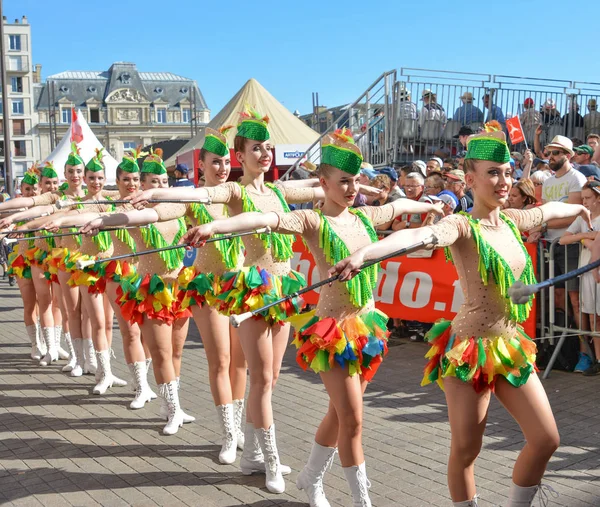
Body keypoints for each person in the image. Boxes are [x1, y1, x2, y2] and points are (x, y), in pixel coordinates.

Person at [330, 126, 591, 507]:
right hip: (468, 349)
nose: (503, 181)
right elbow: (412, 239)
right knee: (467, 449)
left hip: (510, 346)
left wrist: (581, 207)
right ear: (469, 180)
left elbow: (550, 210)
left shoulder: (513, 221)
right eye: (492, 173)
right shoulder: (461, 226)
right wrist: (364, 254)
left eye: (507, 172)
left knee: (546, 438)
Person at [181, 130, 442, 506]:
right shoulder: (312, 221)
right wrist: (212, 226)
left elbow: (398, 210)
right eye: (343, 182)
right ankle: (360, 500)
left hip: (367, 330)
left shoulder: (366, 216)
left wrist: (428, 208)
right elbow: (263, 219)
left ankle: (311, 477)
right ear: (324, 184)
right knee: (352, 419)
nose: (352, 189)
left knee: (339, 415)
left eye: (355, 181)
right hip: (332, 331)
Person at [130, 107, 322, 493]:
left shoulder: (281, 191)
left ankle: (250, 450)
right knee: (256, 375)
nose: (264, 154)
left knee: (267, 377)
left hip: (282, 292)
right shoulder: (235, 191)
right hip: (248, 290)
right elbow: (202, 193)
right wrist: (156, 192)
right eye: (256, 148)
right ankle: (265, 457)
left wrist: (363, 187)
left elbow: (321, 188)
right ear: (241, 156)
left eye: (268, 148)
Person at [81, 148, 195, 433]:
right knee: (160, 351)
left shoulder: (179, 208)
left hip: (179, 286)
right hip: (151, 288)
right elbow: (122, 219)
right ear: (143, 186)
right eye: (153, 182)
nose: (160, 187)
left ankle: (172, 403)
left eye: (164, 182)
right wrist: (100, 221)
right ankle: (171, 408)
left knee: (177, 351)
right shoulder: (135, 212)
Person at [527, 135, 589, 371]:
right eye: (549, 152)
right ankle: (556, 348)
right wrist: (537, 227)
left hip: (570, 245)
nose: (550, 157)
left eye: (556, 153)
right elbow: (544, 212)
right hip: (549, 246)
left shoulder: (577, 178)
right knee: (555, 299)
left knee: (576, 300)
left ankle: (585, 353)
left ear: (568, 155)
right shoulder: (550, 182)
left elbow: (573, 216)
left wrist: (541, 226)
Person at [559, 181, 600, 376]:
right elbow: (563, 239)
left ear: (598, 198)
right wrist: (585, 236)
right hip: (586, 270)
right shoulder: (583, 218)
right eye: (582, 198)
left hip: (596, 270)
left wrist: (591, 241)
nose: (584, 202)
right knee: (593, 317)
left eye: (588, 198)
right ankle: (598, 360)